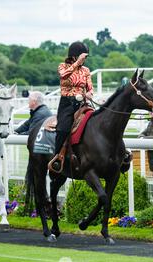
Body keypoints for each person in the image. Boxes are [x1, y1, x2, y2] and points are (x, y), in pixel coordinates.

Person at [49, 41, 93, 172]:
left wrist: (90, 93)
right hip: (67, 104)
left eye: (85, 58)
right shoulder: (62, 66)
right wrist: (77, 63)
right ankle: (57, 157)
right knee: (62, 129)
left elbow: (90, 88)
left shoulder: (86, 70)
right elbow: (64, 76)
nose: (84, 60)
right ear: (74, 56)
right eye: (83, 57)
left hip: (82, 103)